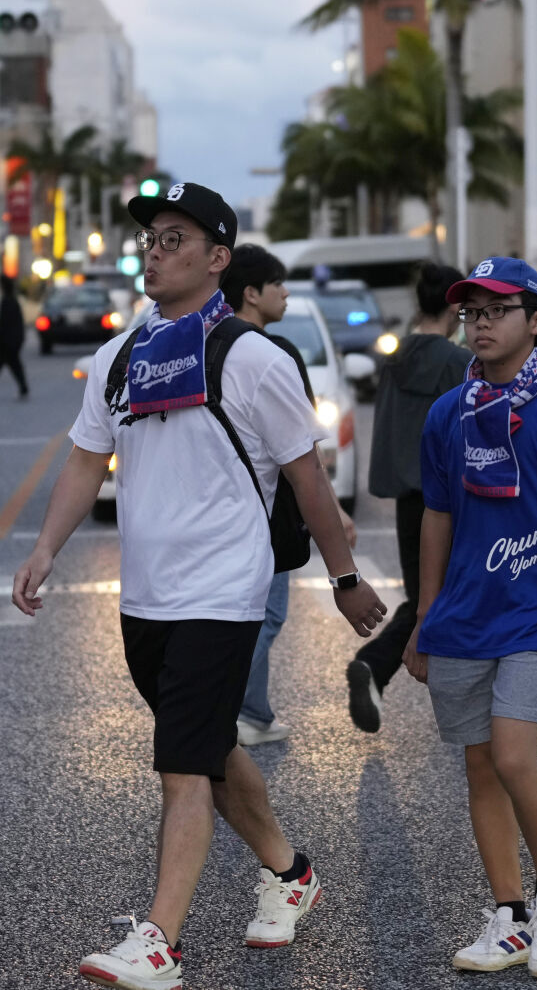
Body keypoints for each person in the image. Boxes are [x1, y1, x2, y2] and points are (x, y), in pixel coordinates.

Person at [13, 183, 385, 989]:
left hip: (222, 593)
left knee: (181, 766)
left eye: (174, 238)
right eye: (149, 237)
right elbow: (86, 458)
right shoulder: (119, 356)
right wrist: (44, 547)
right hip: (144, 597)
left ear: (219, 257)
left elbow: (308, 479)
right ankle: (289, 872)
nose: (154, 250)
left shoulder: (254, 359)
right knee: (208, 749)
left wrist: (345, 576)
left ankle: (160, 942)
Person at [401, 257, 537, 977]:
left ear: (535, 322)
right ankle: (509, 914)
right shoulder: (448, 412)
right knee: (479, 765)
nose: (481, 323)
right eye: (472, 312)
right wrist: (424, 616)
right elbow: (436, 516)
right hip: (464, 614)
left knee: (513, 755)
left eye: (497, 310)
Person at [220, 243, 356, 747]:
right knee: (267, 614)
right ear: (252, 293)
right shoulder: (276, 353)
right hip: (271, 510)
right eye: (277, 283)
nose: (286, 292)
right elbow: (303, 454)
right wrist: (335, 511)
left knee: (239, 613)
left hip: (222, 507)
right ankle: (222, 706)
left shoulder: (210, 348)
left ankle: (254, 713)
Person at [347, 260, 470, 733]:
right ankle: (379, 662)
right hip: (450, 499)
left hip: (407, 496)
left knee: (425, 594)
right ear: (454, 310)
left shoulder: (396, 358)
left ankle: (380, 668)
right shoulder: (459, 363)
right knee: (447, 594)